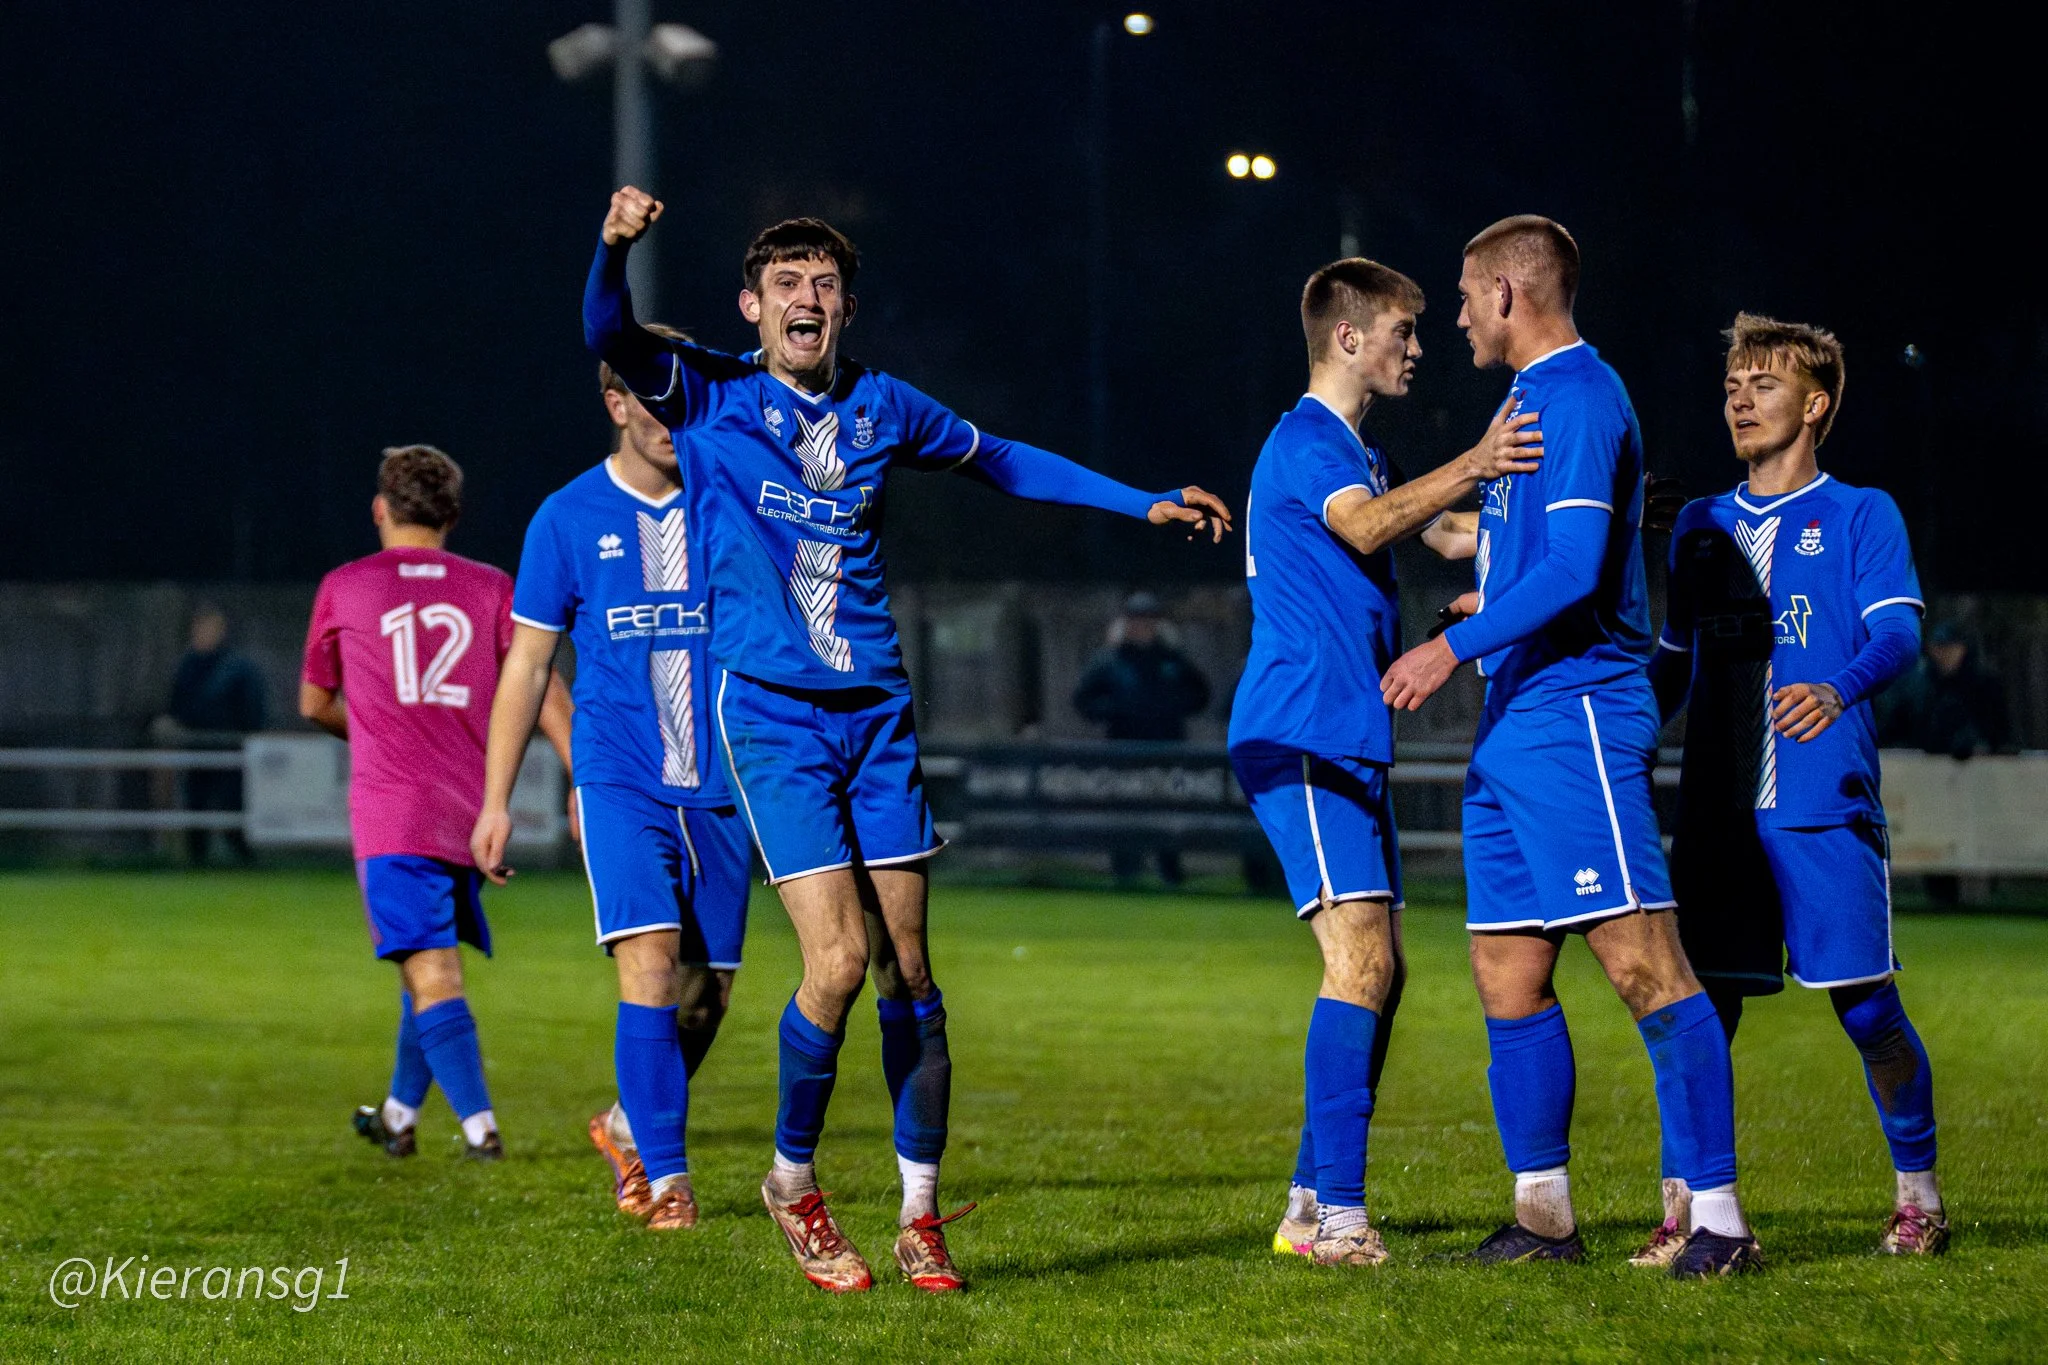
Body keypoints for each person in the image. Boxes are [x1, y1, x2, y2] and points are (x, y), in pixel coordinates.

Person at [586, 185, 1231, 1293]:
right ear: (749, 306)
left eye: (824, 285)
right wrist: (612, 250)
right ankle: (791, 1183)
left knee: (910, 975)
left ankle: (920, 1217)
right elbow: (607, 331)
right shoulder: (710, 396)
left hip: (877, 716)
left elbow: (1006, 459)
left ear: (844, 309)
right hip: (776, 719)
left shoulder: (886, 407)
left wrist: (1140, 503)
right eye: (785, 284)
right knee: (833, 963)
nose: (806, 298)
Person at [1380, 216, 1759, 1277]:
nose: (1453, 317)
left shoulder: (1583, 395)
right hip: (1516, 720)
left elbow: (1574, 571)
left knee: (1642, 961)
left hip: (1576, 714)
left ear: (1507, 293)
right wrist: (1472, 583)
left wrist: (1446, 646)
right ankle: (1542, 1216)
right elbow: (1522, 556)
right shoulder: (1523, 407)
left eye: (1462, 296)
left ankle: (1719, 1223)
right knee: (1504, 967)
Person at [1229, 257, 1543, 1266]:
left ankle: (1307, 1202)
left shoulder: (1357, 456)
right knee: (1357, 964)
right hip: (1302, 730)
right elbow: (1367, 524)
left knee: (1383, 971)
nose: (1419, 345)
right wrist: (1473, 460)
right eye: (1404, 331)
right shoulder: (1306, 442)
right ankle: (1336, 1223)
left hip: (1342, 738)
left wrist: (1533, 518)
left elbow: (1439, 526)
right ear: (1349, 338)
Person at [1651, 313, 1945, 1257]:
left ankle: (1919, 1197)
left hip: (1821, 803)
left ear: (1815, 404)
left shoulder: (1864, 512)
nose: (1739, 398)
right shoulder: (1699, 525)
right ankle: (1687, 1212)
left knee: (1866, 1008)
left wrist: (1838, 684)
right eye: (1732, 383)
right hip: (1718, 813)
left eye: (1764, 383)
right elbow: (1670, 661)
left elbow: (1897, 633)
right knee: (1697, 1012)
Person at [471, 330, 755, 1233]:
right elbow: (525, 667)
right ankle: (668, 1182)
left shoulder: (734, 505)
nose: (673, 415)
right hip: (618, 775)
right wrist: (496, 798)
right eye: (651, 396)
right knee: (651, 964)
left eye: (686, 396)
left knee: (708, 996)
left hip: (722, 784)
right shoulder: (565, 517)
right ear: (615, 402)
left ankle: (629, 1124)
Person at [300, 446, 571, 1161]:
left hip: (393, 814)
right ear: (451, 515)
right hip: (465, 812)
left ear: (380, 509)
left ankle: (482, 1131)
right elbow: (540, 684)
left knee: (432, 972)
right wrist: (583, 773)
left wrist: (377, 729)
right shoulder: (491, 587)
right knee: (427, 964)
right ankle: (396, 1113)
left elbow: (314, 701)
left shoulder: (345, 586)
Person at [1073, 590, 1212, 884]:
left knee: (1168, 815)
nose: (1143, 627)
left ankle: (1171, 873)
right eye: (1137, 620)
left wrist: (1171, 707)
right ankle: (1126, 873)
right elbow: (1083, 701)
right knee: (1124, 815)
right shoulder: (1110, 661)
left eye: (1148, 620)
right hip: (1124, 753)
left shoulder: (1172, 659)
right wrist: (1118, 710)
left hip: (1167, 751)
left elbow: (1201, 695)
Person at [159, 604, 266, 864]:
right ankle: (198, 861)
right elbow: (176, 705)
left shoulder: (236, 667)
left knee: (233, 806)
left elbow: (251, 707)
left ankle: (244, 861)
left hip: (230, 749)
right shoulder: (186, 666)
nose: (205, 633)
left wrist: (244, 736)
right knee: (195, 804)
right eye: (201, 627)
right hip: (195, 748)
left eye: (211, 628)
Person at [1879, 622, 2009, 760]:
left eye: (1950, 648)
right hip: (1925, 766)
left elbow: (2000, 733)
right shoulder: (1918, 687)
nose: (1944, 654)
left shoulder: (1985, 686)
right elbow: (1896, 730)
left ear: (1962, 649)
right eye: (1939, 647)